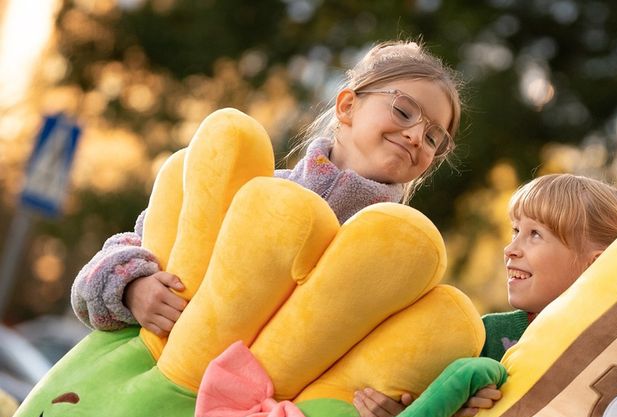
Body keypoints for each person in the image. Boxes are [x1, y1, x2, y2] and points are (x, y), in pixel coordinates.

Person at [71, 40, 464, 337]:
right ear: (347, 107)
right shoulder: (250, 189)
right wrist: (132, 287)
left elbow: (386, 356)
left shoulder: (398, 261)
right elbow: (107, 265)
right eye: (404, 110)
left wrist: (385, 405)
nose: (416, 136)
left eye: (434, 137)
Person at [353, 173, 617, 417]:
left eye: (535, 234)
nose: (510, 249)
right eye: (515, 231)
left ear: (595, 266)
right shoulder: (482, 338)